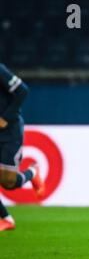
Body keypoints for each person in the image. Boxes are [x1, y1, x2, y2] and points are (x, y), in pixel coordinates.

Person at [0, 63, 45, 231]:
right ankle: (6, 219)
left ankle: (33, 172)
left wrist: (5, 117)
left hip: (9, 131)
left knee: (8, 182)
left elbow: (22, 91)